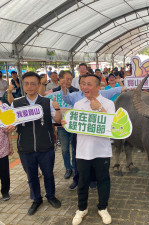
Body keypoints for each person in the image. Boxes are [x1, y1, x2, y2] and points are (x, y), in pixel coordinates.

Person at [6, 72, 62, 215]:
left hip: (46, 146)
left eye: (33, 83)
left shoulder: (46, 101)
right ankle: (36, 199)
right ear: (23, 85)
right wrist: (10, 127)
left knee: (48, 174)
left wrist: (57, 108)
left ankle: (51, 196)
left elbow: (57, 120)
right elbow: (10, 122)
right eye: (26, 83)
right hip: (25, 147)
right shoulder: (16, 103)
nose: (29, 86)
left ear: (38, 85)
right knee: (31, 176)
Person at [63, 74, 114, 225]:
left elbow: (113, 127)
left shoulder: (108, 103)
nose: (85, 87)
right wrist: (68, 123)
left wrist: (99, 108)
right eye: (83, 84)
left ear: (99, 87)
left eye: (89, 84)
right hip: (83, 151)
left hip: (102, 150)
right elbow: (75, 125)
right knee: (83, 180)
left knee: (103, 180)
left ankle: (103, 208)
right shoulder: (78, 104)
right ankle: (81, 208)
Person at [0, 104, 14, 201]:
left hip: (2, 148)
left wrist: (10, 145)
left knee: (4, 172)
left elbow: (8, 130)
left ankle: (5, 192)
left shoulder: (2, 108)